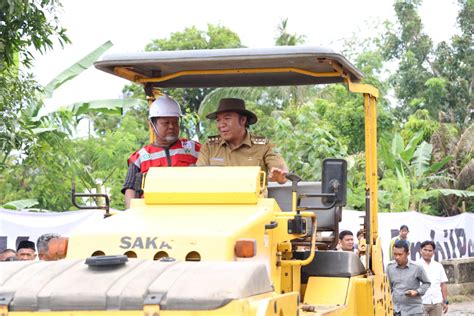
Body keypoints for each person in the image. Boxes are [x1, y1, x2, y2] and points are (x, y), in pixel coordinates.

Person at [122, 95, 201, 208]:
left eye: (175, 122)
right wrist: (133, 214)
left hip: (189, 212)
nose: (171, 127)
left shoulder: (195, 149)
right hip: (152, 216)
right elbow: (130, 189)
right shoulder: (140, 157)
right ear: (152, 125)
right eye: (165, 123)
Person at [196, 98, 287, 184]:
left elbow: (281, 171)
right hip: (216, 199)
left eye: (227, 118)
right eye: (218, 120)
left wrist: (278, 176)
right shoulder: (210, 147)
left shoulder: (263, 146)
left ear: (243, 120)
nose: (221, 125)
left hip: (254, 200)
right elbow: (197, 177)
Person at [387, 240, 430, 316]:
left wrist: (417, 291)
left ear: (407, 254)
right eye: (395, 254)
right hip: (397, 311)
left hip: (414, 311)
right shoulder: (390, 268)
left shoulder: (417, 267)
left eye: (400, 254)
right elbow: (388, 289)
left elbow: (427, 283)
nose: (397, 257)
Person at [417, 240, 449, 315]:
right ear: (420, 251)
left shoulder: (438, 266)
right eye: (425, 250)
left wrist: (445, 301)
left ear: (433, 252)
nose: (427, 252)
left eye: (430, 250)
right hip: (421, 303)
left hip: (437, 302)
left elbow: (443, 284)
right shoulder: (416, 266)